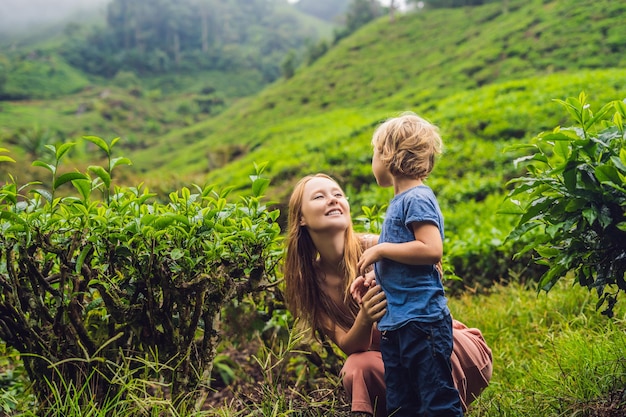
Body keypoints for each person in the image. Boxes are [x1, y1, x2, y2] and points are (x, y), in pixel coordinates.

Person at [284, 173, 492, 417]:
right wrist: (365, 317)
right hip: (393, 367)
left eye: (338, 194)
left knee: (423, 348)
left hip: (442, 347)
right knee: (355, 367)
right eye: (319, 197)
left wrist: (388, 277)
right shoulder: (310, 283)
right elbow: (349, 346)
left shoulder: (376, 246)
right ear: (301, 218)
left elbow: (434, 269)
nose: (333, 200)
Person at [354, 111, 463, 416]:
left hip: (422, 322)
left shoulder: (417, 197)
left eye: (375, 153)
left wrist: (381, 250)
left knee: (436, 400)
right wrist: (376, 277)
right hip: (398, 324)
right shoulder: (401, 202)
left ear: (390, 156)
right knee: (402, 404)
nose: (373, 160)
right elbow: (406, 261)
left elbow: (431, 249)